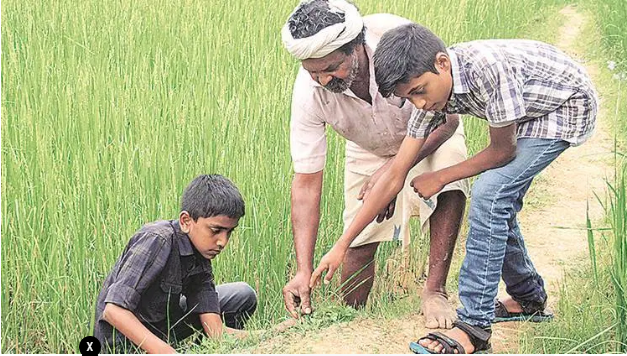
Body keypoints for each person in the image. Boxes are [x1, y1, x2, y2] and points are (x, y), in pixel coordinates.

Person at [311, 23, 597, 354]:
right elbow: (395, 173)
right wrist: (343, 245)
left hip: (564, 106)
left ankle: (473, 327)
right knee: (497, 199)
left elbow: (502, 151)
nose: (417, 103)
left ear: (443, 63)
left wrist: (441, 176)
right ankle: (527, 297)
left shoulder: (488, 71)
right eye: (409, 98)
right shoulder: (430, 97)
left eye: (419, 91)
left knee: (491, 194)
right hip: (528, 106)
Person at [280, 0, 470, 329]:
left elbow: (448, 120)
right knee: (357, 240)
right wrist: (302, 269)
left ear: (356, 48)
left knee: (447, 179)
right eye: (314, 72)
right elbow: (306, 184)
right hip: (369, 148)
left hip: (430, 129)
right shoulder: (308, 93)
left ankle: (434, 291)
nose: (324, 80)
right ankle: (350, 321)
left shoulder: (394, 40)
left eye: (331, 68)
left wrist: (397, 169)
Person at [93, 174, 257, 353]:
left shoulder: (202, 253)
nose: (222, 242)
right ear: (186, 221)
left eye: (229, 232)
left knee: (243, 294)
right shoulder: (157, 240)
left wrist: (272, 334)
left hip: (161, 329)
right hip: (121, 343)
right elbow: (113, 311)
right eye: (216, 230)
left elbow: (215, 331)